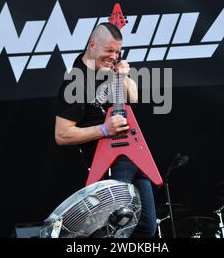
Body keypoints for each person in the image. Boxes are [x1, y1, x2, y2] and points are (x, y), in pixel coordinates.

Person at [54, 22, 157, 238]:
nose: (113, 56)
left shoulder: (110, 69)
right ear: (92, 45)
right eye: (109, 50)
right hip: (110, 160)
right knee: (113, 225)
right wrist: (103, 129)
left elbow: (134, 97)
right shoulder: (74, 81)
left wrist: (123, 75)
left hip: (134, 154)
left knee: (146, 226)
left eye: (117, 51)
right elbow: (62, 135)